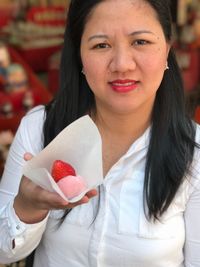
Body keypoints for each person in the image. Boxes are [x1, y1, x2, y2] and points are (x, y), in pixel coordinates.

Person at [0, 0, 200, 266]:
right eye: (101, 45)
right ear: (79, 56)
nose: (122, 64)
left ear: (166, 50)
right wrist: (26, 208)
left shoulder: (194, 153)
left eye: (140, 42)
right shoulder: (39, 129)